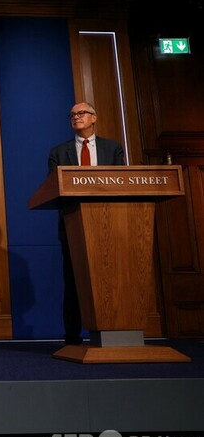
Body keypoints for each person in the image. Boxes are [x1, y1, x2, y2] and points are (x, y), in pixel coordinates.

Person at [47, 101, 124, 346]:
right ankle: (72, 336)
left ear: (94, 118)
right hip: (73, 225)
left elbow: (122, 183)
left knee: (112, 278)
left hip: (108, 224)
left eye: (81, 113)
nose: (76, 117)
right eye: (72, 114)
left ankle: (116, 330)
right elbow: (53, 187)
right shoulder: (59, 152)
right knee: (74, 281)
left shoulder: (113, 149)